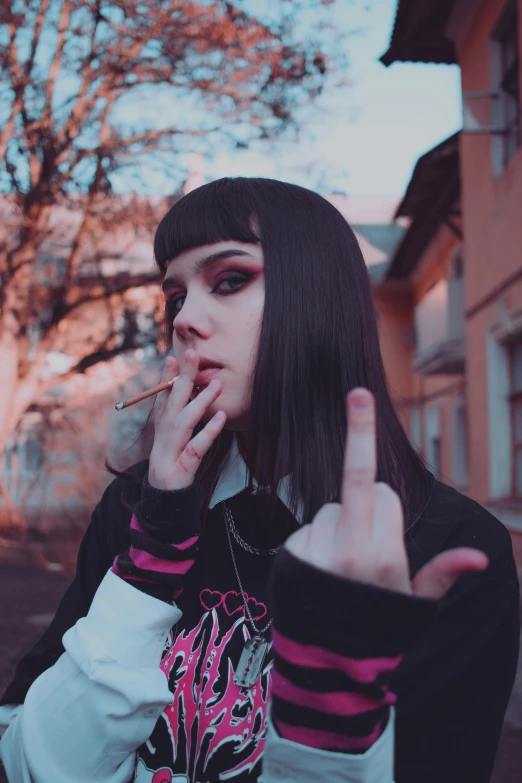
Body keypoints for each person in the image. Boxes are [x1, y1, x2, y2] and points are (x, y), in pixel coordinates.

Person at [0, 177, 519, 783]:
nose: (186, 319)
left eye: (229, 280)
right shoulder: (140, 508)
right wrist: (151, 561)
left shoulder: (449, 549)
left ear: (317, 296)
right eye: (174, 298)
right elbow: (25, 763)